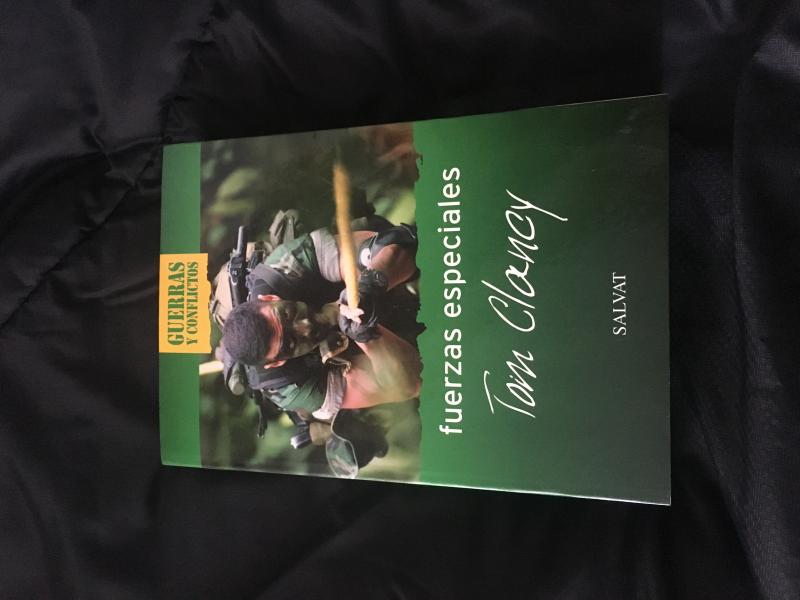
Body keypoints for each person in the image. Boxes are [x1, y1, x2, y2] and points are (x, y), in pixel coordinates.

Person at [222, 224, 421, 423]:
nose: (306, 327)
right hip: (365, 351)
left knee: (371, 251)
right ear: (277, 362)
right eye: (291, 342)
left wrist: (367, 288)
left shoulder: (283, 268)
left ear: (270, 298)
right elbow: (410, 385)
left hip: (368, 286)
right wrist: (365, 333)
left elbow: (396, 246)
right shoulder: (290, 387)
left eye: (288, 314)